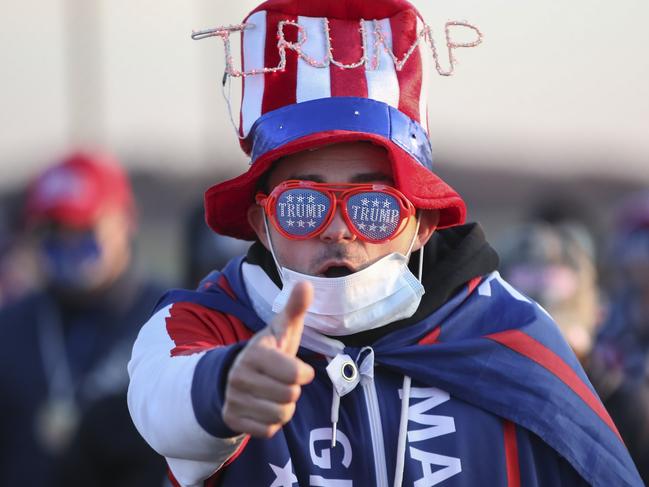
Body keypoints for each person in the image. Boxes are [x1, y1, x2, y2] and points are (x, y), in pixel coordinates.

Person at [127, 1, 642, 485]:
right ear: (262, 223)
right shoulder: (208, 323)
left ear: (420, 224)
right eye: (302, 205)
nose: (337, 229)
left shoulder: (510, 330)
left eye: (373, 207)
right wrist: (225, 388)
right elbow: (160, 400)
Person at [0, 152, 166, 485]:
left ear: (126, 220)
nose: (68, 242)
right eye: (53, 229)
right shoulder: (10, 327)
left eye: (84, 227)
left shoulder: (170, 318)